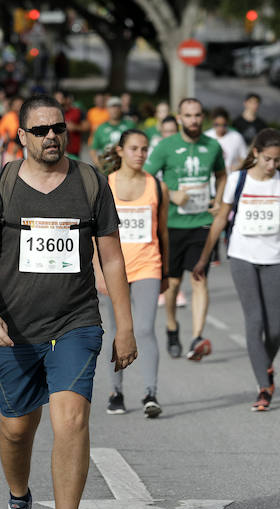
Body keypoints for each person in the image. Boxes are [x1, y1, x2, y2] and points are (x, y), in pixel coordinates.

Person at [0, 94, 137, 509]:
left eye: (58, 128)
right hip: (15, 328)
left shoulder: (89, 183)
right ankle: (20, 501)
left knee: (71, 421)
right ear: (20, 136)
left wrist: (125, 327)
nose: (51, 137)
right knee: (18, 429)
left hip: (76, 322)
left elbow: (112, 258)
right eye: (40, 130)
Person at [192, 129, 280, 411]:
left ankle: (264, 366)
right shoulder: (238, 180)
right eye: (268, 159)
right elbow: (221, 219)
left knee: (275, 332)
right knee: (254, 322)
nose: (272, 165)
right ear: (255, 153)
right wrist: (204, 257)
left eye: (277, 160)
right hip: (242, 256)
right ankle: (264, 387)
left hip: (274, 258)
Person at [145, 97, 226, 360]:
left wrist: (218, 199)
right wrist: (170, 192)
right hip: (172, 226)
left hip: (202, 223)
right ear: (179, 118)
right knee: (173, 284)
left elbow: (221, 175)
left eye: (198, 115)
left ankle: (196, 337)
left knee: (199, 279)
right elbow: (146, 179)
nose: (193, 120)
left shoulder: (212, 146)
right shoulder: (166, 147)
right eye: (188, 115)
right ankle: (171, 327)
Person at [96, 129, 170, 418]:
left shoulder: (156, 186)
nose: (140, 154)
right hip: (113, 269)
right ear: (120, 151)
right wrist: (97, 271)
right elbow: (93, 234)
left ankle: (150, 393)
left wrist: (167, 271)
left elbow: (163, 232)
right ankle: (117, 392)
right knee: (116, 330)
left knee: (143, 329)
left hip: (147, 265)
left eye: (144, 149)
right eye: (134, 149)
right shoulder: (106, 186)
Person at [90, 97, 136, 169]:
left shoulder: (130, 125)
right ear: (107, 109)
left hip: (125, 166)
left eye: (117, 107)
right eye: (112, 107)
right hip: (106, 166)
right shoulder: (101, 127)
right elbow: (93, 149)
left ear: (121, 109)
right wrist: (99, 164)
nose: (115, 110)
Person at [204, 107, 247, 173]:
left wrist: (238, 167)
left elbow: (244, 159)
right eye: (217, 125)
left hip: (231, 178)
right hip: (212, 179)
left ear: (227, 122)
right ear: (212, 122)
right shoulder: (206, 137)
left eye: (224, 125)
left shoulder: (236, 137)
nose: (220, 128)